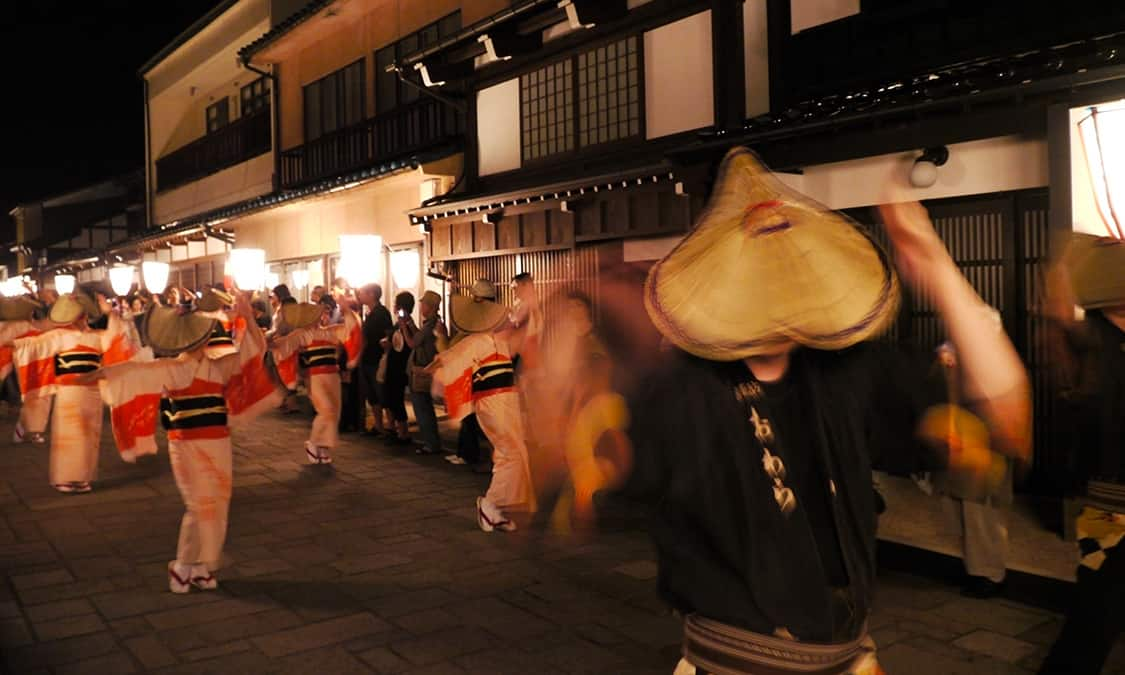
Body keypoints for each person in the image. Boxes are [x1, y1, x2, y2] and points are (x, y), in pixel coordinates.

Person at [619, 148, 1030, 673]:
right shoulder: (680, 390)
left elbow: (1007, 418)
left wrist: (933, 262)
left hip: (848, 656)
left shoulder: (847, 369)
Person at [84, 292, 279, 593]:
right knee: (200, 504)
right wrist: (101, 374)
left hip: (218, 441)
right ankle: (182, 564)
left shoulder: (218, 365)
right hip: (186, 443)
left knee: (219, 502)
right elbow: (133, 372)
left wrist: (248, 316)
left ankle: (201, 566)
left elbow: (253, 351)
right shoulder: (172, 368)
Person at [1037, 233, 1125, 674]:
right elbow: (1057, 305)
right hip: (1107, 501)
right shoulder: (1088, 342)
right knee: (1096, 605)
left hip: (1105, 496)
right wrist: (1075, 261)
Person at [13, 290, 147, 492]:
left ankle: (82, 477)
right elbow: (32, 345)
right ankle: (65, 478)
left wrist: (111, 314)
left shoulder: (97, 337)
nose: (80, 318)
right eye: (76, 315)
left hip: (92, 391)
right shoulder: (59, 336)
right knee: (69, 436)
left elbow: (117, 338)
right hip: (69, 391)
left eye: (82, 314)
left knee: (89, 436)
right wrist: (13, 341)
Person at [429, 289, 537, 532]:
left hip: (505, 402)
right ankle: (491, 504)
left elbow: (521, 336)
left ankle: (496, 510)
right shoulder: (475, 342)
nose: (506, 320)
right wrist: (439, 377)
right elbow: (448, 364)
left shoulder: (499, 341)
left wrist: (530, 308)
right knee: (512, 453)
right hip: (492, 403)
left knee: (509, 453)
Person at [269, 296, 361, 464]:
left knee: (334, 411)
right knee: (326, 410)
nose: (322, 315)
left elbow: (351, 330)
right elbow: (284, 345)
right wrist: (272, 342)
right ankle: (314, 442)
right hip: (316, 377)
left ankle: (322, 447)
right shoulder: (303, 334)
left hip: (333, 375)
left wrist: (347, 310)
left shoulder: (331, 331)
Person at [406, 291, 447, 455]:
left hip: (423, 371)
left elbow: (412, 343)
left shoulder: (431, 325)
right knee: (425, 409)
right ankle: (431, 442)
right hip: (426, 369)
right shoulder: (432, 324)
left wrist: (403, 327)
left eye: (423, 304)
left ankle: (431, 443)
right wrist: (410, 324)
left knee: (423, 410)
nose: (421, 306)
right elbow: (419, 338)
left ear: (429, 307)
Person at [357, 283, 393, 436]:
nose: (360, 296)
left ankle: (391, 426)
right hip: (367, 358)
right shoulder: (369, 313)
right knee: (371, 394)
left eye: (362, 293)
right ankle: (379, 425)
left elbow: (388, 333)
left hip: (376, 358)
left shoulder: (381, 313)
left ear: (371, 294)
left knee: (382, 393)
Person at [382, 292, 415, 444]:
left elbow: (409, 345)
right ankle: (394, 428)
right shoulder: (399, 324)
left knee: (397, 399)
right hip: (393, 364)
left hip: (400, 367)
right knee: (391, 398)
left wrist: (405, 325)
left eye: (397, 304)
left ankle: (403, 432)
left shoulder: (408, 324)